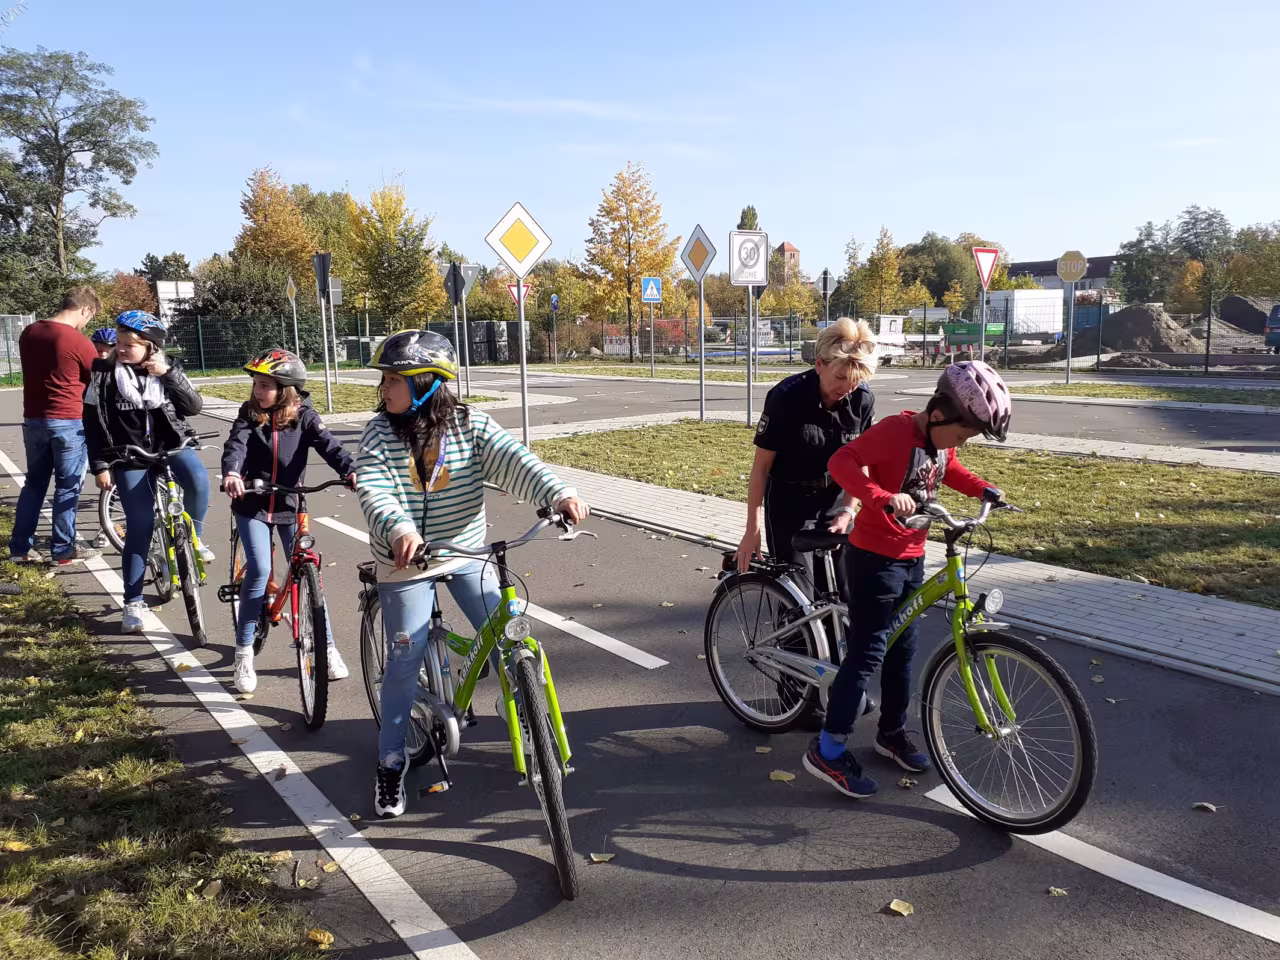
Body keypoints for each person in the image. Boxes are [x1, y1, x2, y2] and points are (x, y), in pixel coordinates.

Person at [354, 330, 589, 819]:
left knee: (508, 628)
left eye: (393, 378)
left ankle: (522, 704)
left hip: (462, 550)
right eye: (384, 379)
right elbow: (375, 488)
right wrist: (399, 529)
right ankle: (391, 759)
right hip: (406, 560)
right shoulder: (379, 433)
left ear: (426, 383)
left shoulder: (470, 425)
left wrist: (559, 494)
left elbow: (517, 462)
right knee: (405, 656)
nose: (384, 387)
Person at [802, 360, 1012, 798]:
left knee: (904, 651)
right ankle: (828, 748)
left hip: (912, 556)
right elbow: (843, 461)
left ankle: (890, 732)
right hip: (874, 559)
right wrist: (879, 497)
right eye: (960, 434)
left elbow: (948, 470)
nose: (960, 442)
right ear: (937, 414)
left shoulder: (940, 441)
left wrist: (983, 489)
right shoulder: (896, 432)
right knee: (869, 652)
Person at [221, 348, 356, 694]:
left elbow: (329, 445)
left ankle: (325, 649)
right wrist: (233, 473)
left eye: (265, 385)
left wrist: (350, 470)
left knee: (309, 572)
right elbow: (235, 445)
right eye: (256, 384)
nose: (257, 391)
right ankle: (244, 654)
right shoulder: (249, 414)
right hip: (251, 503)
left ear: (285, 389)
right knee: (260, 571)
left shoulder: (305, 415)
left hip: (290, 503)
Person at [84, 311, 211, 634]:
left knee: (197, 479)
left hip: (173, 445)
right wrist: (100, 465)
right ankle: (133, 601)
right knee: (139, 525)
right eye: (120, 343)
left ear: (151, 347)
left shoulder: (168, 368)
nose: (122, 349)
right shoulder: (103, 374)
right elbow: (92, 422)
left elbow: (193, 407)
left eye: (131, 345)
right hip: (128, 455)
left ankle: (193, 539)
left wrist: (168, 374)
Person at [735, 317, 878, 595]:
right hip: (789, 501)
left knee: (845, 592)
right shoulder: (785, 398)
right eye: (840, 378)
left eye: (855, 380)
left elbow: (861, 464)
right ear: (820, 364)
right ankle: (794, 639)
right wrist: (752, 528)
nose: (847, 388)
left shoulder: (862, 400)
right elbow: (761, 467)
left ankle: (839, 640)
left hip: (837, 497)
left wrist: (848, 510)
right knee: (797, 590)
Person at [8, 286, 101, 564]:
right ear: (86, 309)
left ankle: (20, 548)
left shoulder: (30, 332)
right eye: (90, 317)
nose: (87, 323)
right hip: (69, 420)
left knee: (34, 484)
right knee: (67, 487)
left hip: (34, 419)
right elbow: (95, 377)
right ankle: (62, 549)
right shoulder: (79, 341)